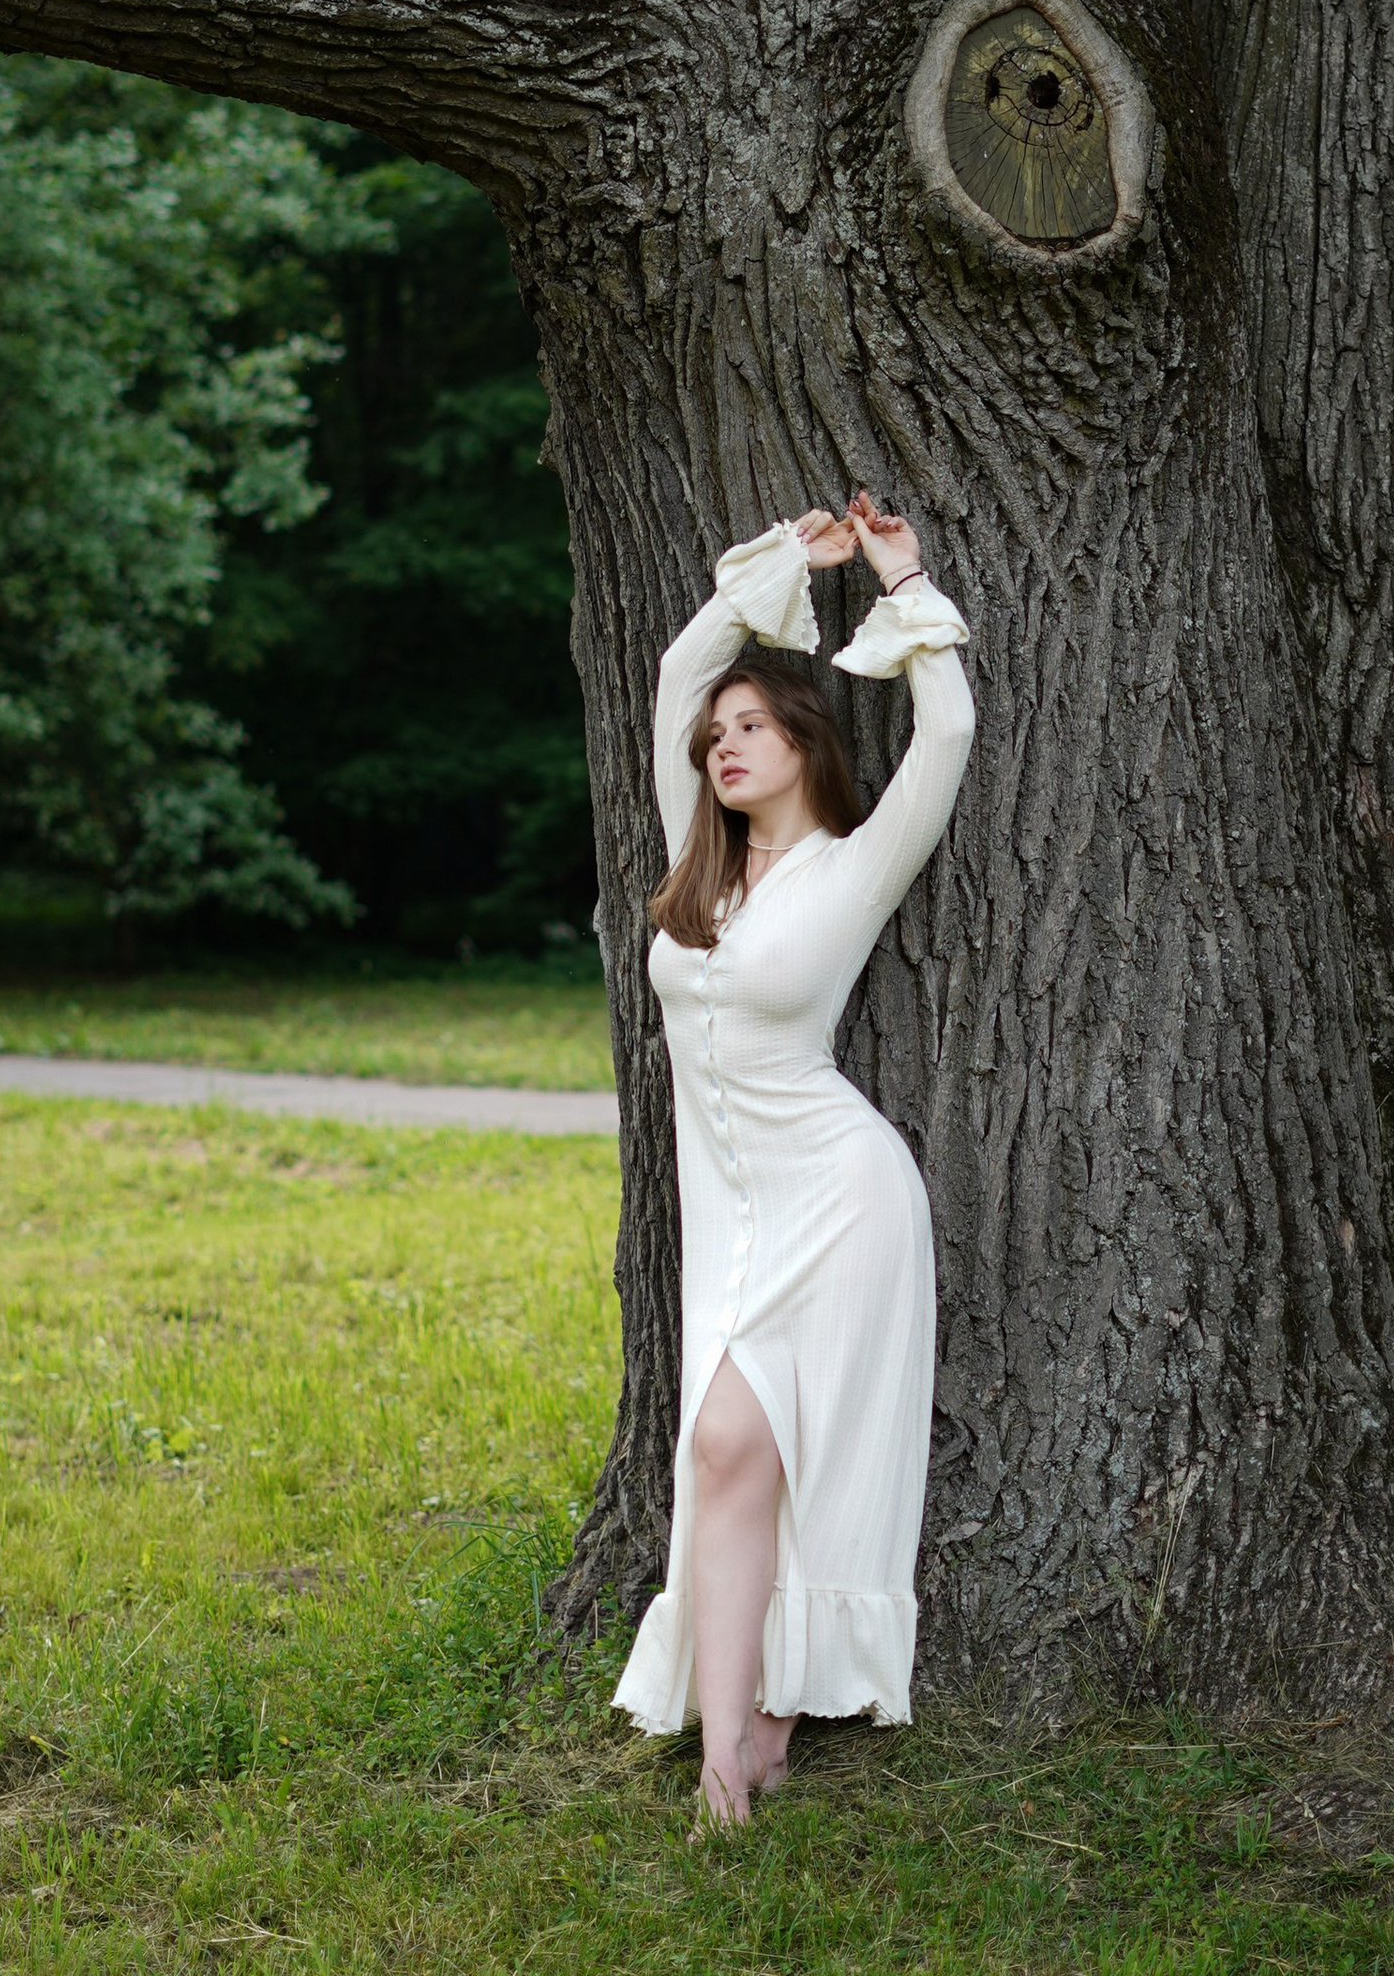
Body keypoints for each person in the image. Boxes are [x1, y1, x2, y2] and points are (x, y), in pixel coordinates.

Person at [612, 488, 976, 1831]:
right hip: (729, 1210)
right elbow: (671, 681)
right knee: (727, 1458)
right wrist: (776, 573)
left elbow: (948, 732)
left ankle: (734, 1766)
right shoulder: (696, 870)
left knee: (746, 1446)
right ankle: (742, 1741)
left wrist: (898, 583)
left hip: (839, 1198)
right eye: (720, 737)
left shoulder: (855, 865)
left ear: (806, 742)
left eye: (753, 728)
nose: (722, 745)